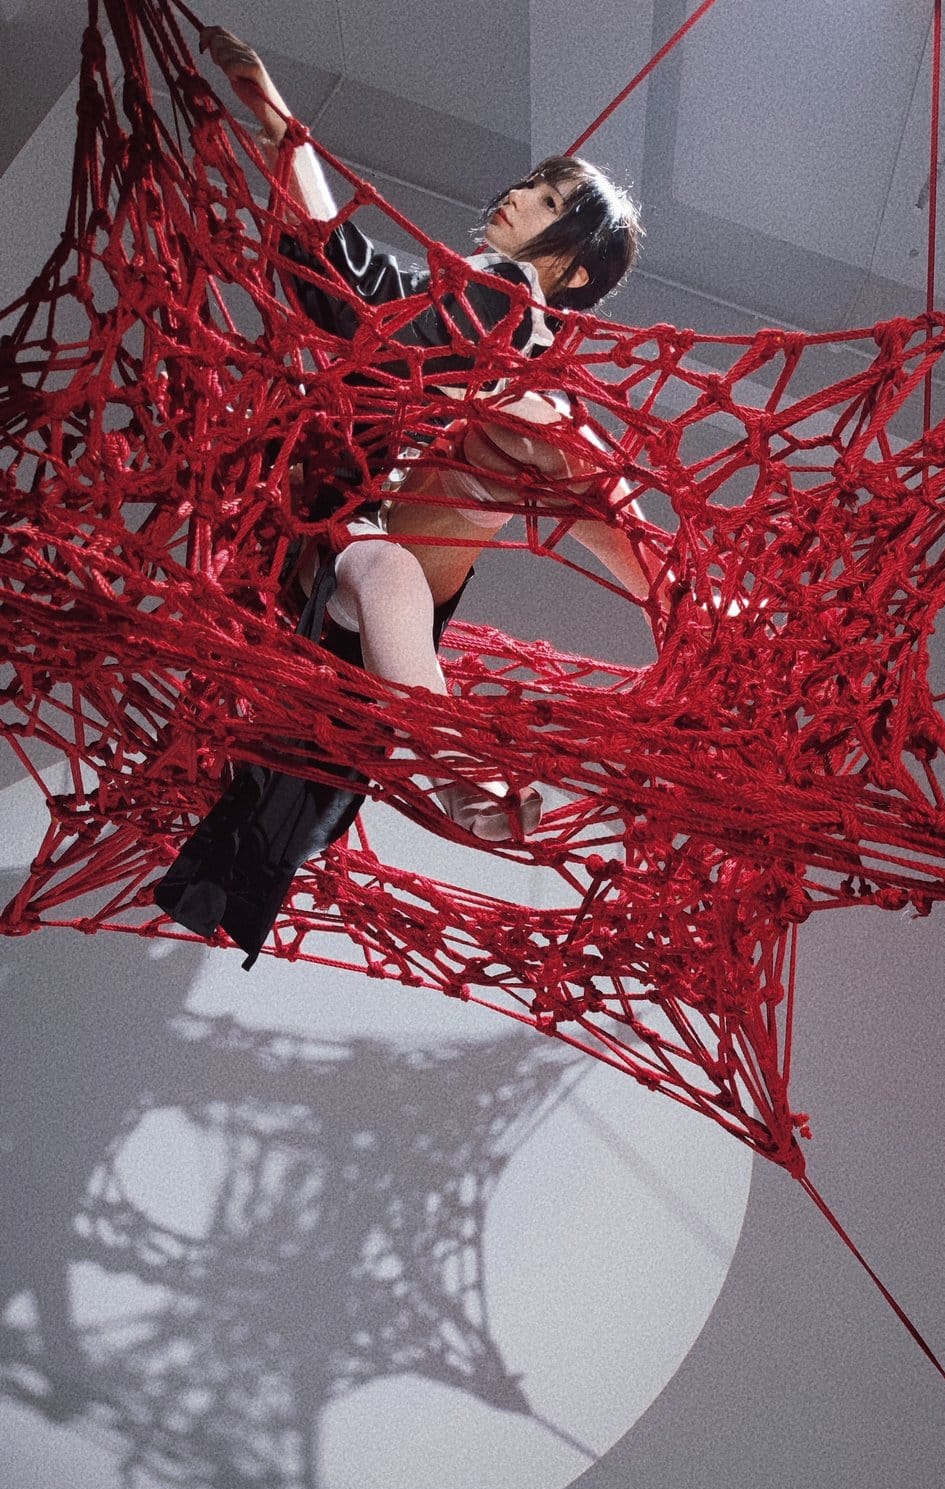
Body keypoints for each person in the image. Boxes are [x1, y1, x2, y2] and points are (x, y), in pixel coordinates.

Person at [155, 28, 651, 963]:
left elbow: (359, 290)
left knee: (532, 444)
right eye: (528, 186)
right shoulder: (481, 303)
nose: (515, 197)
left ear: (577, 268)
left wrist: (280, 127)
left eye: (546, 201)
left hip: (371, 562)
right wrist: (278, 122)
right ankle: (461, 763)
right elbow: (362, 290)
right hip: (327, 543)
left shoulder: (513, 324)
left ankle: (665, 614)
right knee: (410, 548)